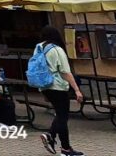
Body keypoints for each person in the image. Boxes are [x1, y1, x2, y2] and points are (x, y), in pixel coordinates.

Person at [35, 26, 85, 156]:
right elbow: (65, 72)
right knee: (62, 117)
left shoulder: (39, 48)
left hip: (44, 86)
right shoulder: (56, 50)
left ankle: (66, 148)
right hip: (58, 86)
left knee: (60, 116)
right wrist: (77, 90)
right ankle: (50, 135)